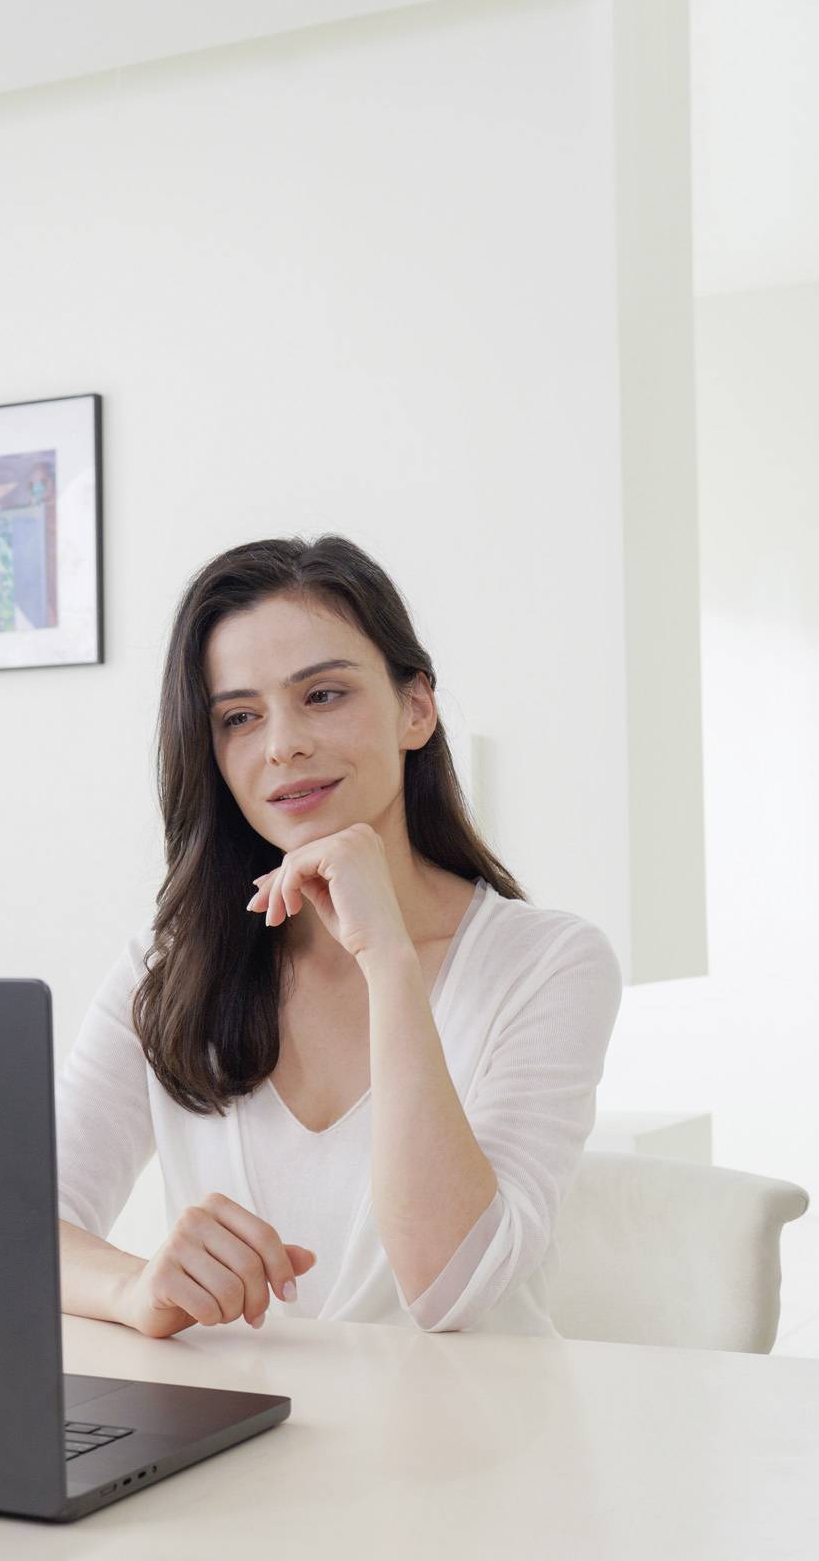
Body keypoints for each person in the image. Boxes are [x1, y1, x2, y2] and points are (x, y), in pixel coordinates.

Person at [55, 535, 624, 1336]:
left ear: (415, 708)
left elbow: (452, 1289)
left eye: (322, 694)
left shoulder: (551, 964)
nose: (282, 743)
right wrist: (135, 1289)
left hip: (472, 1416)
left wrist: (387, 958)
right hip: (248, 1413)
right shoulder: (169, 969)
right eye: (239, 716)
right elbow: (17, 1226)